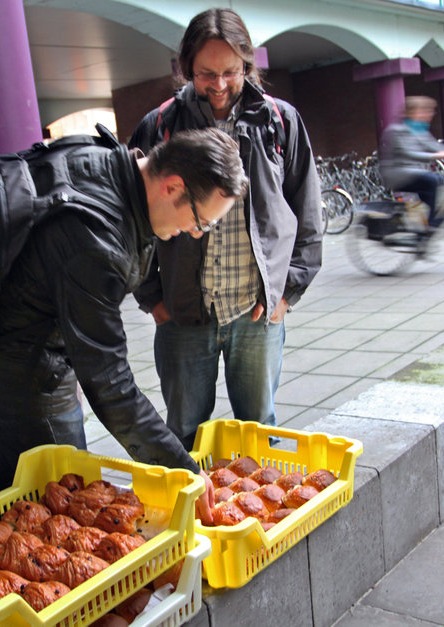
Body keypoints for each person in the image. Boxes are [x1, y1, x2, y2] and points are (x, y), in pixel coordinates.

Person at [0, 127, 248, 524]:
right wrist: (183, 468)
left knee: (17, 480)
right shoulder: (94, 238)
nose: (198, 233)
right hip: (20, 365)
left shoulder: (112, 164)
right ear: (172, 186)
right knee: (59, 500)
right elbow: (109, 381)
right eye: (202, 219)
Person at [129, 8, 323, 450]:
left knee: (258, 435)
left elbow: (308, 215)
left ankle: (257, 518)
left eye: (231, 72)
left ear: (248, 65)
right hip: (182, 317)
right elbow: (134, 220)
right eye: (206, 73)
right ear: (185, 69)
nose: (219, 85)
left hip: (256, 316)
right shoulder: (159, 125)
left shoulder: (280, 121)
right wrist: (153, 300)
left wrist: (286, 294)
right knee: (183, 434)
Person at [379, 95, 444, 230]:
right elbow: (407, 153)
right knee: (434, 180)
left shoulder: (420, 130)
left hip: (413, 173)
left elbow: (433, 146)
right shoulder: (397, 130)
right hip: (397, 174)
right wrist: (434, 156)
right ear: (413, 112)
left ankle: (422, 233)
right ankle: (432, 223)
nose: (429, 115)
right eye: (425, 111)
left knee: (439, 188)